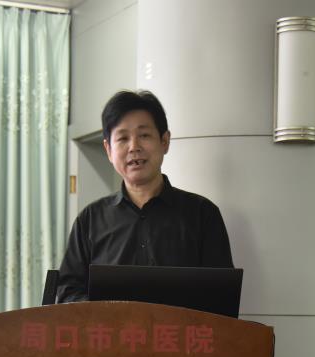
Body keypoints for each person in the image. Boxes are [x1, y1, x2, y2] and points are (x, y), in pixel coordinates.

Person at [55, 90, 234, 303]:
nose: (134, 147)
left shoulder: (203, 214)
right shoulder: (90, 220)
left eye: (144, 135)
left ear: (165, 141)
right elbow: (67, 292)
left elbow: (221, 298)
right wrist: (108, 314)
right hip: (110, 326)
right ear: (108, 150)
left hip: (179, 327)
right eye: (123, 138)